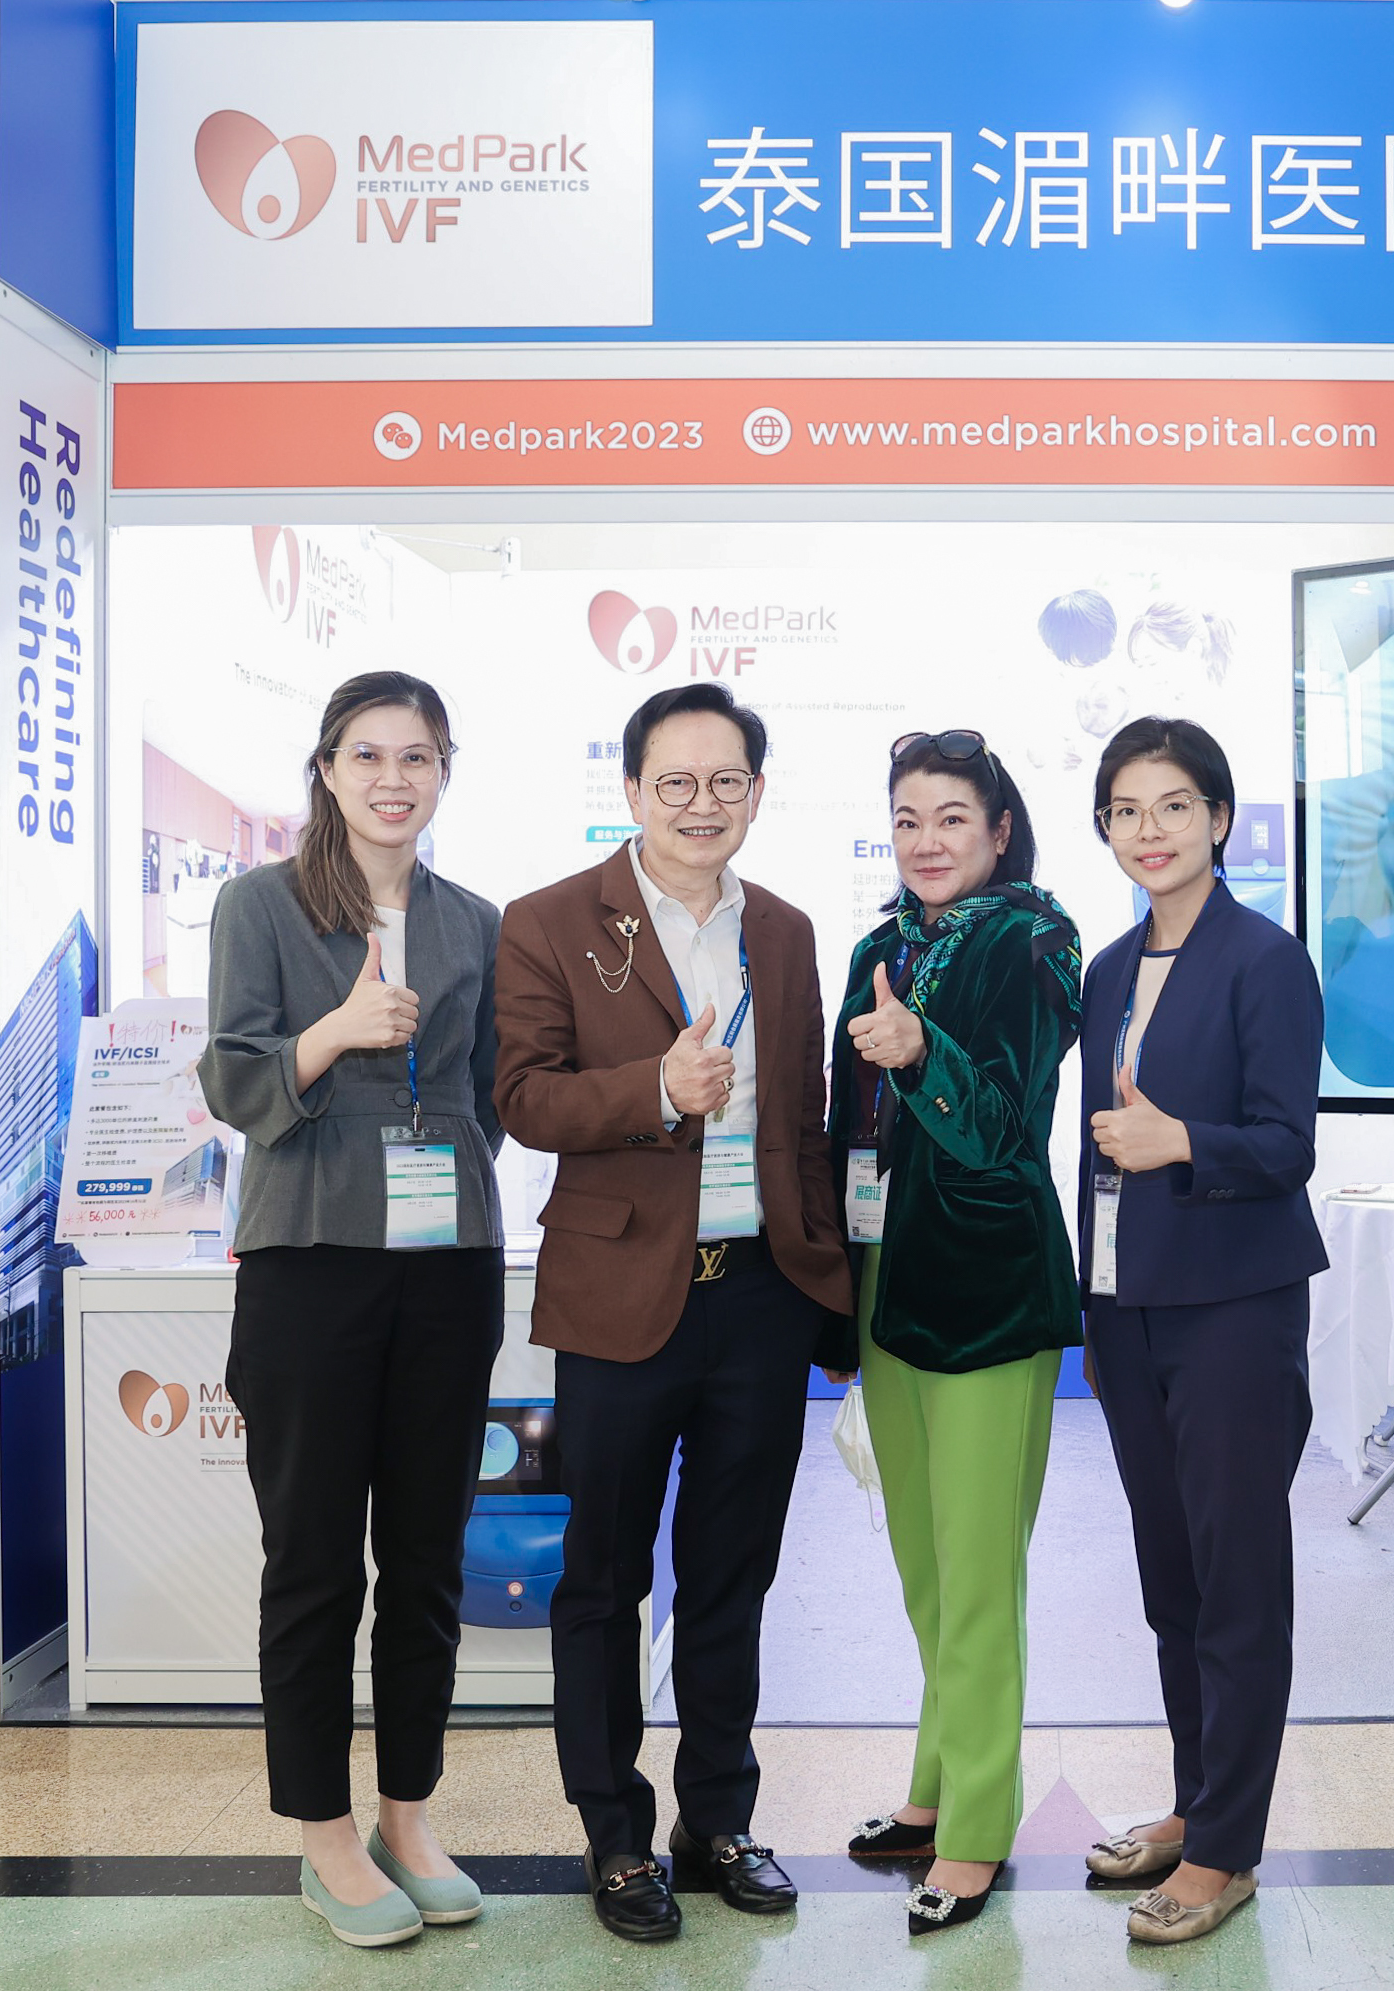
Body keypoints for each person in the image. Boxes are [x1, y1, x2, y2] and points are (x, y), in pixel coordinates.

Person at [494, 682, 851, 1945]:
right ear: (632, 789)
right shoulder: (549, 920)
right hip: (617, 1299)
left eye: (726, 780)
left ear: (756, 789)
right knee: (601, 1581)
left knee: (732, 1574)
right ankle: (613, 1832)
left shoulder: (788, 930)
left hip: (759, 1294)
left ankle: (719, 1818)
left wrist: (829, 1294)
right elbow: (525, 1098)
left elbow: (804, 1120)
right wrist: (655, 1084)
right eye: (676, 781)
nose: (703, 804)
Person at [198, 671, 506, 1950]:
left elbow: (490, 1093)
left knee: (427, 1559)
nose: (392, 778)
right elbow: (232, 1080)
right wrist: (331, 1034)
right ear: (325, 768)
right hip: (309, 1261)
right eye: (367, 754)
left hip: (447, 1263)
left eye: (416, 755)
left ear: (444, 771)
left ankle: (406, 1816)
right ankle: (324, 1835)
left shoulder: (475, 920)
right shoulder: (260, 903)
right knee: (316, 1560)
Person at [1072, 717, 1328, 1945]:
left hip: (1231, 1305)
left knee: (1237, 1585)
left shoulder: (1264, 959)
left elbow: (1286, 1144)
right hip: (1125, 1307)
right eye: (1126, 809)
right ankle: (1195, 1800)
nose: (1150, 830)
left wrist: (1180, 1140)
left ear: (1219, 819)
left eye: (1174, 805)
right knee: (1170, 1581)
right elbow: (1095, 1150)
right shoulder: (1105, 969)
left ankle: (1226, 1847)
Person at [833, 729, 1083, 1936]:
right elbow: (845, 1128)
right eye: (906, 819)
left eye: (950, 818)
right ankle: (934, 1789)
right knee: (924, 1565)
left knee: (979, 1574)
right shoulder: (879, 946)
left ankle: (977, 1829)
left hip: (984, 1285)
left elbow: (1001, 1128)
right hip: (886, 1278)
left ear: (998, 829)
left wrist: (922, 1051)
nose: (926, 841)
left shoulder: (1034, 942)